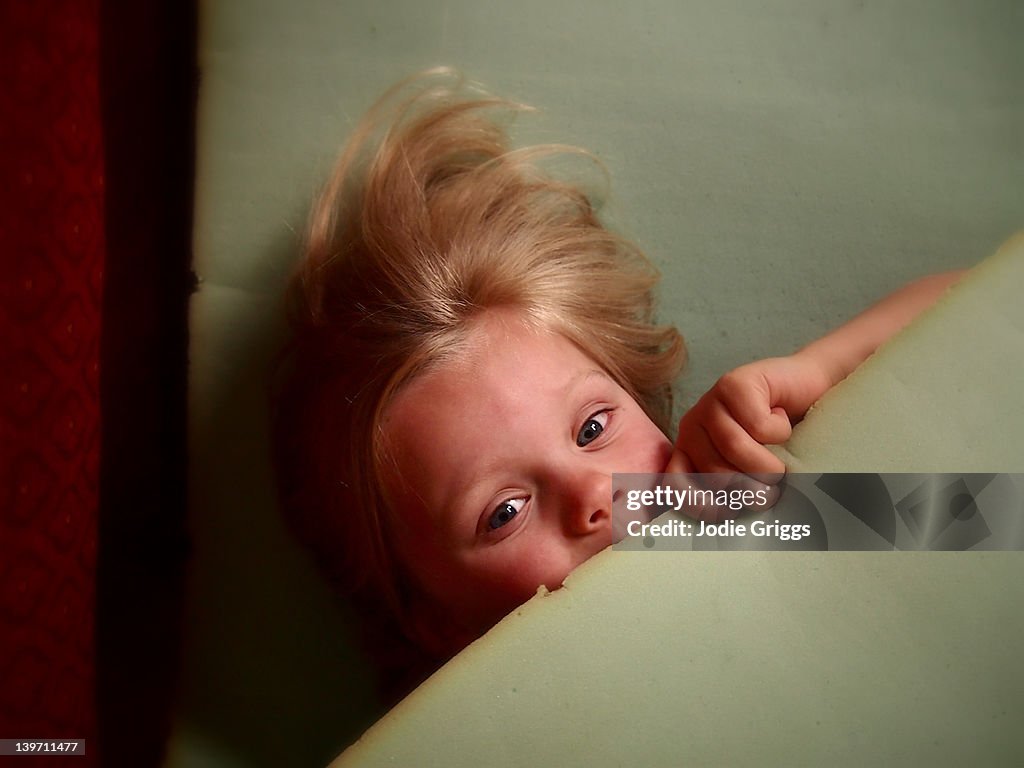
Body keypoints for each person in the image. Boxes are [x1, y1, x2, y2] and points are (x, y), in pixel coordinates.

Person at [271, 69, 961, 699]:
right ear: (438, 624)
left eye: (595, 429)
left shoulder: (736, 522)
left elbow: (986, 356)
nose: (594, 496)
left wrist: (821, 370)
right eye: (504, 512)